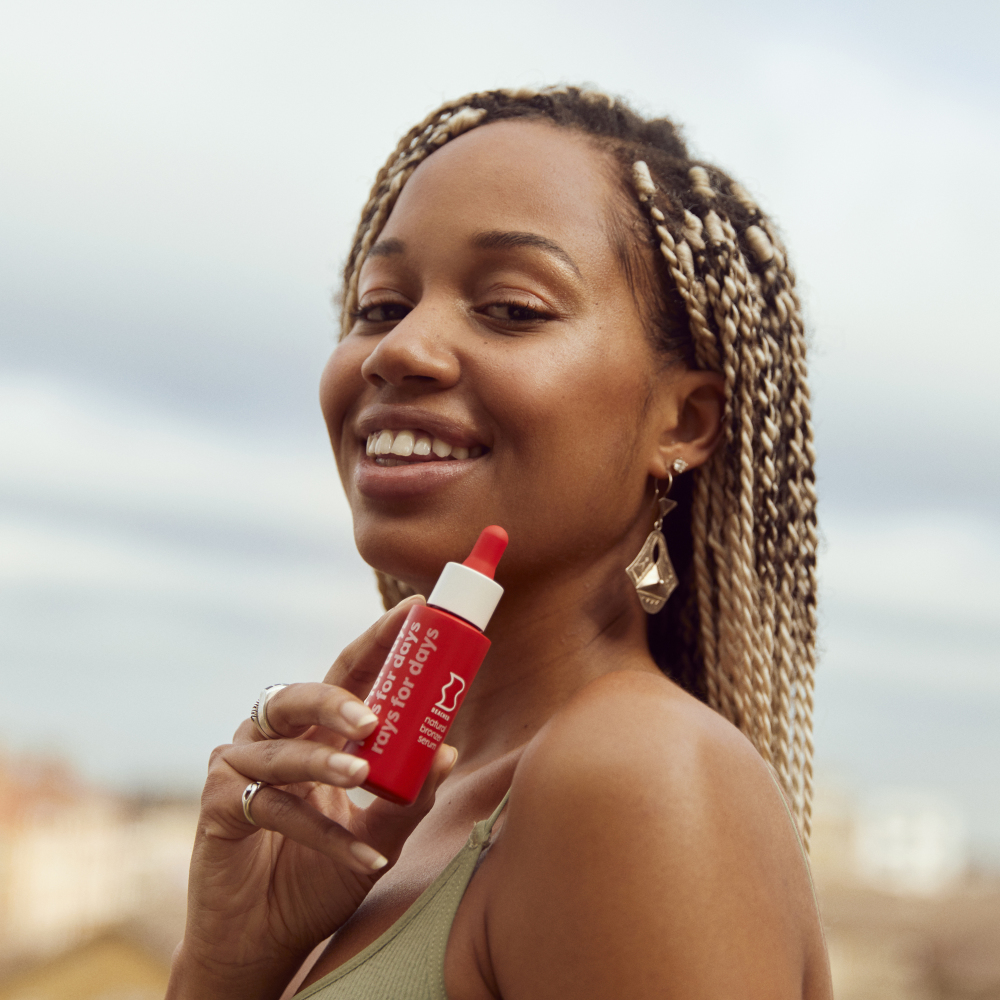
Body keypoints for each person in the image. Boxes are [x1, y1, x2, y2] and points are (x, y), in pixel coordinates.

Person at [166, 86, 831, 1000]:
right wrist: (228, 965)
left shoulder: (635, 776)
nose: (398, 349)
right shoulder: (404, 825)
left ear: (684, 420)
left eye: (512, 308)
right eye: (379, 304)